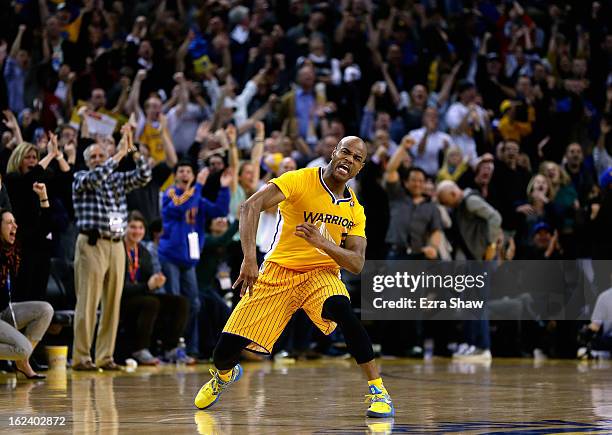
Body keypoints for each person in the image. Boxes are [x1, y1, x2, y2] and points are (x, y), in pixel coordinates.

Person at [194, 136, 395, 418]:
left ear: (360, 168)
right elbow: (250, 207)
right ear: (334, 152)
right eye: (345, 152)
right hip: (278, 271)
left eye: (357, 158)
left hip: (320, 274)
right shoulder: (299, 179)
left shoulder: (355, 210)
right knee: (223, 353)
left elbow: (357, 264)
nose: (349, 159)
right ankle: (223, 376)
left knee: (342, 309)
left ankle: (379, 391)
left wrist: (323, 244)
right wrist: (249, 259)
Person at [71, 125, 151, 371]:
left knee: (112, 303)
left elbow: (145, 175)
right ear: (86, 162)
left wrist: (132, 151)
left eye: (100, 156)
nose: (97, 159)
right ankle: (81, 357)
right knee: (88, 302)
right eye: (92, 157)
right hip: (92, 244)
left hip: (117, 245)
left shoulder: (116, 179)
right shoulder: (81, 178)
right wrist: (117, 155)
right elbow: (96, 177)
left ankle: (105, 357)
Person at [158, 161, 232, 357]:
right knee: (175, 302)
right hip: (170, 257)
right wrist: (198, 185)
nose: (185, 173)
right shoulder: (170, 194)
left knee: (194, 304)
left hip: (189, 260)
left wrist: (224, 188)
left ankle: (190, 347)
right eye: (181, 170)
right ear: (175, 176)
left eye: (188, 170)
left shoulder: (197, 197)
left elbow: (219, 211)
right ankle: (169, 347)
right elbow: (181, 207)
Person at [436, 180, 503, 362]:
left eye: (445, 201)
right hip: (473, 260)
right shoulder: (461, 206)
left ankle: (482, 347)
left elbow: (495, 217)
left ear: (452, 193)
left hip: (483, 259)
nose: (447, 205)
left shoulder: (470, 201)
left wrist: (491, 244)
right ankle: (471, 343)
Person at [120, 211, 189, 365]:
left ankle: (170, 348)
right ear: (125, 228)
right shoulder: (118, 249)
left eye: (140, 228)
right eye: (133, 227)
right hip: (123, 298)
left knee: (180, 302)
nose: (137, 231)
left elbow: (149, 280)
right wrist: (148, 286)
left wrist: (157, 281)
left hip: (142, 293)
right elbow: (120, 287)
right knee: (151, 303)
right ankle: (140, 349)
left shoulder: (143, 252)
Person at [0, 190, 54, 379]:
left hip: (5, 311)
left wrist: (43, 199)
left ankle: (22, 363)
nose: (15, 225)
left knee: (45, 310)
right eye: (9, 223)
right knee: (22, 348)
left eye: (15, 222)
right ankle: (22, 356)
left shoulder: (13, 250)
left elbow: (44, 231)